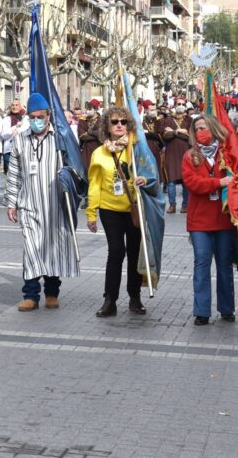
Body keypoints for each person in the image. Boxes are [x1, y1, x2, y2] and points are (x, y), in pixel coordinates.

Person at [4, 93, 79, 311]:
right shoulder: (20, 140)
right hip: (29, 204)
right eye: (32, 117)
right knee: (31, 250)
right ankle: (31, 295)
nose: (37, 121)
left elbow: (76, 167)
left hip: (56, 205)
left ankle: (52, 293)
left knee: (53, 249)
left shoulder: (60, 138)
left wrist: (69, 176)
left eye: (41, 117)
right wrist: (11, 202)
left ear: (49, 116)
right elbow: (14, 173)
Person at [87, 106, 154, 317]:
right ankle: (110, 300)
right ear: (106, 126)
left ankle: (135, 297)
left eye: (123, 122)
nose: (119, 125)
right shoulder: (99, 153)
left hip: (134, 208)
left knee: (134, 253)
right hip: (109, 209)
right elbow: (94, 185)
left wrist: (145, 180)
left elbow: (151, 173)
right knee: (116, 251)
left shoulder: (137, 149)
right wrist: (91, 213)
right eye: (114, 122)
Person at [182, 114, 237, 326]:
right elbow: (193, 183)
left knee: (224, 264)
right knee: (202, 263)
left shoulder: (227, 154)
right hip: (199, 221)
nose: (200, 132)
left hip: (223, 218)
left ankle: (227, 308)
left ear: (213, 129)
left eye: (203, 127)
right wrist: (219, 182)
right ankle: (202, 311)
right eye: (196, 129)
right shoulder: (190, 156)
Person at [162, 103, 192, 213]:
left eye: (181, 112)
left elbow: (190, 137)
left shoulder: (189, 120)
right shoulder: (168, 120)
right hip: (171, 154)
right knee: (171, 181)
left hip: (185, 154)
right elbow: (166, 136)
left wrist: (173, 132)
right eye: (179, 105)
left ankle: (185, 205)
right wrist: (178, 131)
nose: (179, 114)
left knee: (185, 181)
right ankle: (172, 205)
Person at [1, 99, 27, 176]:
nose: (14, 107)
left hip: (22, 149)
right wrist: (15, 127)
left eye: (16, 105)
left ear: (20, 107)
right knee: (9, 175)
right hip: (9, 150)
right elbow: (4, 135)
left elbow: (26, 130)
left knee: (23, 174)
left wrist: (18, 130)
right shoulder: (6, 119)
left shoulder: (25, 118)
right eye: (12, 105)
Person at [78, 100, 102, 168]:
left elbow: (102, 134)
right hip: (86, 150)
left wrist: (90, 132)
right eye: (87, 109)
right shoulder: (82, 120)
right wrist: (96, 134)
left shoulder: (102, 120)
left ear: (95, 109)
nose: (87, 111)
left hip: (99, 148)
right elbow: (82, 136)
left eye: (89, 109)